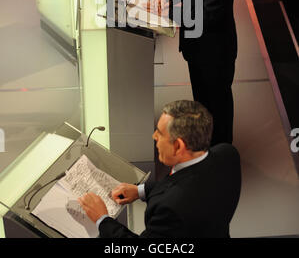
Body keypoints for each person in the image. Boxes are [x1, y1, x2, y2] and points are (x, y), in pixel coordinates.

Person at [78, 100, 241, 238]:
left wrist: (102, 219)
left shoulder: (170, 210)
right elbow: (189, 180)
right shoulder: (228, 154)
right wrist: (140, 191)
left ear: (178, 146)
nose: (154, 136)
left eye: (160, 133)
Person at [153, 0, 240, 145]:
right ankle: (205, 149)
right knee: (202, 105)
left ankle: (222, 154)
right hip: (195, 45)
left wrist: (169, 16)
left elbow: (209, 14)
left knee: (219, 109)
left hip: (215, 50)